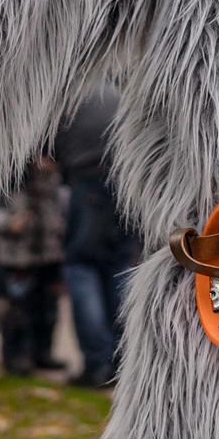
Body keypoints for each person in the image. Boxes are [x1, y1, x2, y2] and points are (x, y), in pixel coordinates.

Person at [54, 85, 136, 389]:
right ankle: (122, 360)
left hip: (87, 185)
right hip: (125, 190)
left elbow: (48, 150)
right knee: (118, 268)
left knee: (81, 268)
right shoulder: (116, 95)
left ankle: (97, 364)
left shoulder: (68, 98)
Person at [0, 156, 66, 374]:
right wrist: (8, 222)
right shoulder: (2, 171)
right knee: (16, 307)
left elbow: (60, 198)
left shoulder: (48, 169)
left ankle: (42, 352)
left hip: (48, 249)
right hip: (16, 253)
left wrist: (60, 226)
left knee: (47, 305)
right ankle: (14, 355)